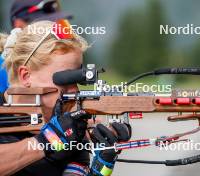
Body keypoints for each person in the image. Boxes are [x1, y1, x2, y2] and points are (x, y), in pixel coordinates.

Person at [0, 20, 131, 176]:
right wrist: (49, 140)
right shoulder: (59, 132)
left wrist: (101, 167)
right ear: (26, 75)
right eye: (64, 80)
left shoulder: (68, 129)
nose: (74, 90)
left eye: (76, 79)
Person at [0, 0, 72, 93]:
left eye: (60, 25)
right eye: (45, 27)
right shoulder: (3, 69)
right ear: (19, 26)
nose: (59, 32)